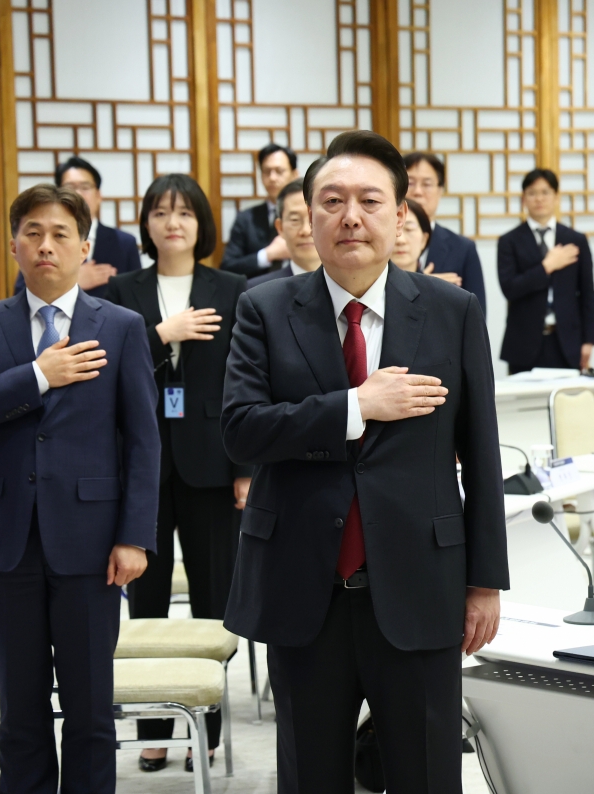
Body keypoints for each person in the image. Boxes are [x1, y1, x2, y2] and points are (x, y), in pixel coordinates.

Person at [221, 130, 509, 794]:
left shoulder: (452, 310)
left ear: (400, 213)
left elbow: (482, 451)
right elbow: (240, 432)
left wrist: (485, 581)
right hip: (301, 590)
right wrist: (355, 405)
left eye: (370, 200)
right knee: (310, 774)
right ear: (309, 214)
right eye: (332, 200)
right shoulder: (263, 307)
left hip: (419, 585)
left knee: (428, 772)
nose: (350, 215)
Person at [0, 184, 160, 794]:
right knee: (20, 711)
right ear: (14, 244)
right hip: (7, 541)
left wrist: (134, 537)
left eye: (61, 234)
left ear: (84, 247)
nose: (46, 245)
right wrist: (36, 376)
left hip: (94, 545)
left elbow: (144, 441)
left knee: (91, 709)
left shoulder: (120, 327)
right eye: (33, 233)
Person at [106, 173, 251, 772]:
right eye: (162, 212)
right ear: (146, 223)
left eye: (185, 212)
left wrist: (246, 468)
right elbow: (109, 361)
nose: (173, 222)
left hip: (214, 462)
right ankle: (157, 728)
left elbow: (248, 380)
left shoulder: (233, 287)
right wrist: (164, 333)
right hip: (142, 464)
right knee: (147, 602)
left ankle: (208, 732)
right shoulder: (122, 291)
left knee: (216, 601)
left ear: (201, 223)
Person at [498, 168, 594, 374]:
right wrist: (547, 267)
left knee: (567, 404)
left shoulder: (575, 240)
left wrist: (588, 340)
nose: (539, 198)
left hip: (567, 341)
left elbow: (588, 294)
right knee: (525, 405)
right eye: (532, 193)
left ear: (556, 197)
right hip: (523, 343)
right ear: (524, 199)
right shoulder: (509, 241)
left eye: (545, 192)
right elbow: (510, 288)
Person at [15, 156, 142, 298]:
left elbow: (136, 298)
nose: (78, 194)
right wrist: (73, 281)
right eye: (70, 188)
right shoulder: (41, 241)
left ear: (99, 196)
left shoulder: (125, 243)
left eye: (85, 187)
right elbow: (20, 295)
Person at [404, 151, 487, 314]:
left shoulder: (463, 248)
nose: (418, 192)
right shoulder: (385, 241)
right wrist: (425, 285)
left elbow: (477, 315)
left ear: (440, 190)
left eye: (427, 184)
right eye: (410, 183)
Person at [221, 143, 298, 277]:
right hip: (256, 291)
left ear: (294, 174)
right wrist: (268, 255)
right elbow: (227, 268)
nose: (272, 178)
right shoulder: (246, 219)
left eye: (279, 171)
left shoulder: (311, 215)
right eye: (267, 172)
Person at [248, 178, 321, 288]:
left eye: (314, 219)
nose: (306, 230)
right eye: (295, 219)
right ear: (280, 227)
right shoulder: (258, 291)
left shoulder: (351, 286)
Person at [390, 198, 432, 273]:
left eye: (409, 229)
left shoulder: (434, 285)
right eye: (392, 230)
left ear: (424, 240)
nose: (400, 240)